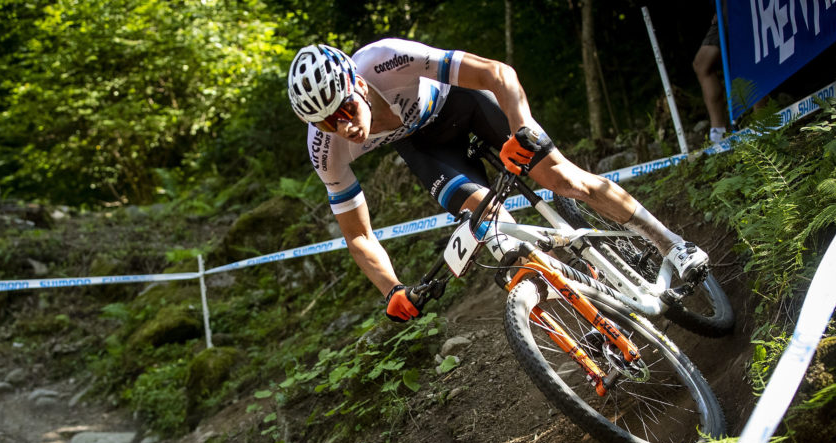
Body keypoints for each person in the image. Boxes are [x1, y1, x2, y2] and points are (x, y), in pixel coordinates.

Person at [287, 39, 709, 323]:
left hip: (464, 105)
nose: (341, 127)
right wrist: (391, 289)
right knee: (488, 221)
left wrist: (521, 130)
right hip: (426, 148)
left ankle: (673, 244)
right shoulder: (325, 148)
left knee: (560, 178)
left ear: (358, 84)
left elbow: (496, 73)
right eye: (323, 120)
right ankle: (584, 310)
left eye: (343, 110)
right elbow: (358, 236)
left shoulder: (386, 58)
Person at [693, 12, 729, 144]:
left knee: (751, 56)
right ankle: (718, 134)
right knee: (702, 64)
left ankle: (763, 123)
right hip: (725, 9)